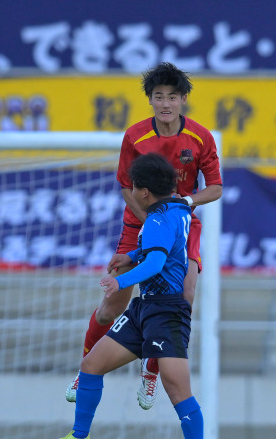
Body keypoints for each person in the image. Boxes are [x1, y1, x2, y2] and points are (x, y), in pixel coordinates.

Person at [66, 62, 223, 409]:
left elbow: (215, 188)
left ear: (183, 99)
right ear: (150, 101)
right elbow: (125, 186)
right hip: (138, 224)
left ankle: (150, 370)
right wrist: (153, 222)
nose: (165, 103)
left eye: (172, 96)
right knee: (110, 309)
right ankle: (86, 367)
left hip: (183, 227)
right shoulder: (135, 136)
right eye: (158, 97)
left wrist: (184, 203)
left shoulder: (200, 138)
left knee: (184, 295)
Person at [60, 152, 203, 439]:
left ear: (144, 192)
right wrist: (131, 256)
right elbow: (164, 249)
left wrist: (119, 282)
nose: (131, 192)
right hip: (143, 309)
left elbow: (155, 263)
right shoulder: (177, 209)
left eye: (134, 187)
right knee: (92, 365)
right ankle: (78, 436)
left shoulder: (156, 220)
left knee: (178, 392)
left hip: (166, 314)